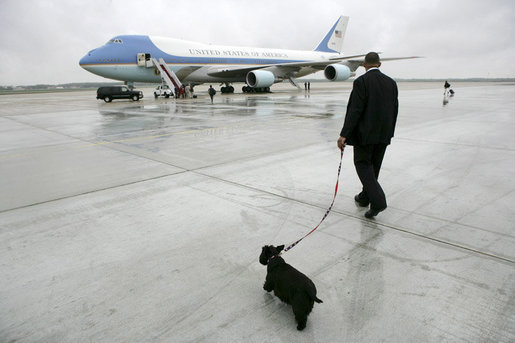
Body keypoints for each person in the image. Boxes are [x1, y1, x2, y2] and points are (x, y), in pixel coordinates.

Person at [337, 52, 398, 219]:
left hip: (365, 135)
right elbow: (394, 110)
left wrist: (344, 135)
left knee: (363, 165)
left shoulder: (361, 82)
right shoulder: (391, 83)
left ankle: (378, 201)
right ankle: (365, 198)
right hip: (384, 134)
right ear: (379, 64)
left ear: (364, 65)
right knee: (374, 167)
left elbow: (355, 110)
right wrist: (389, 132)